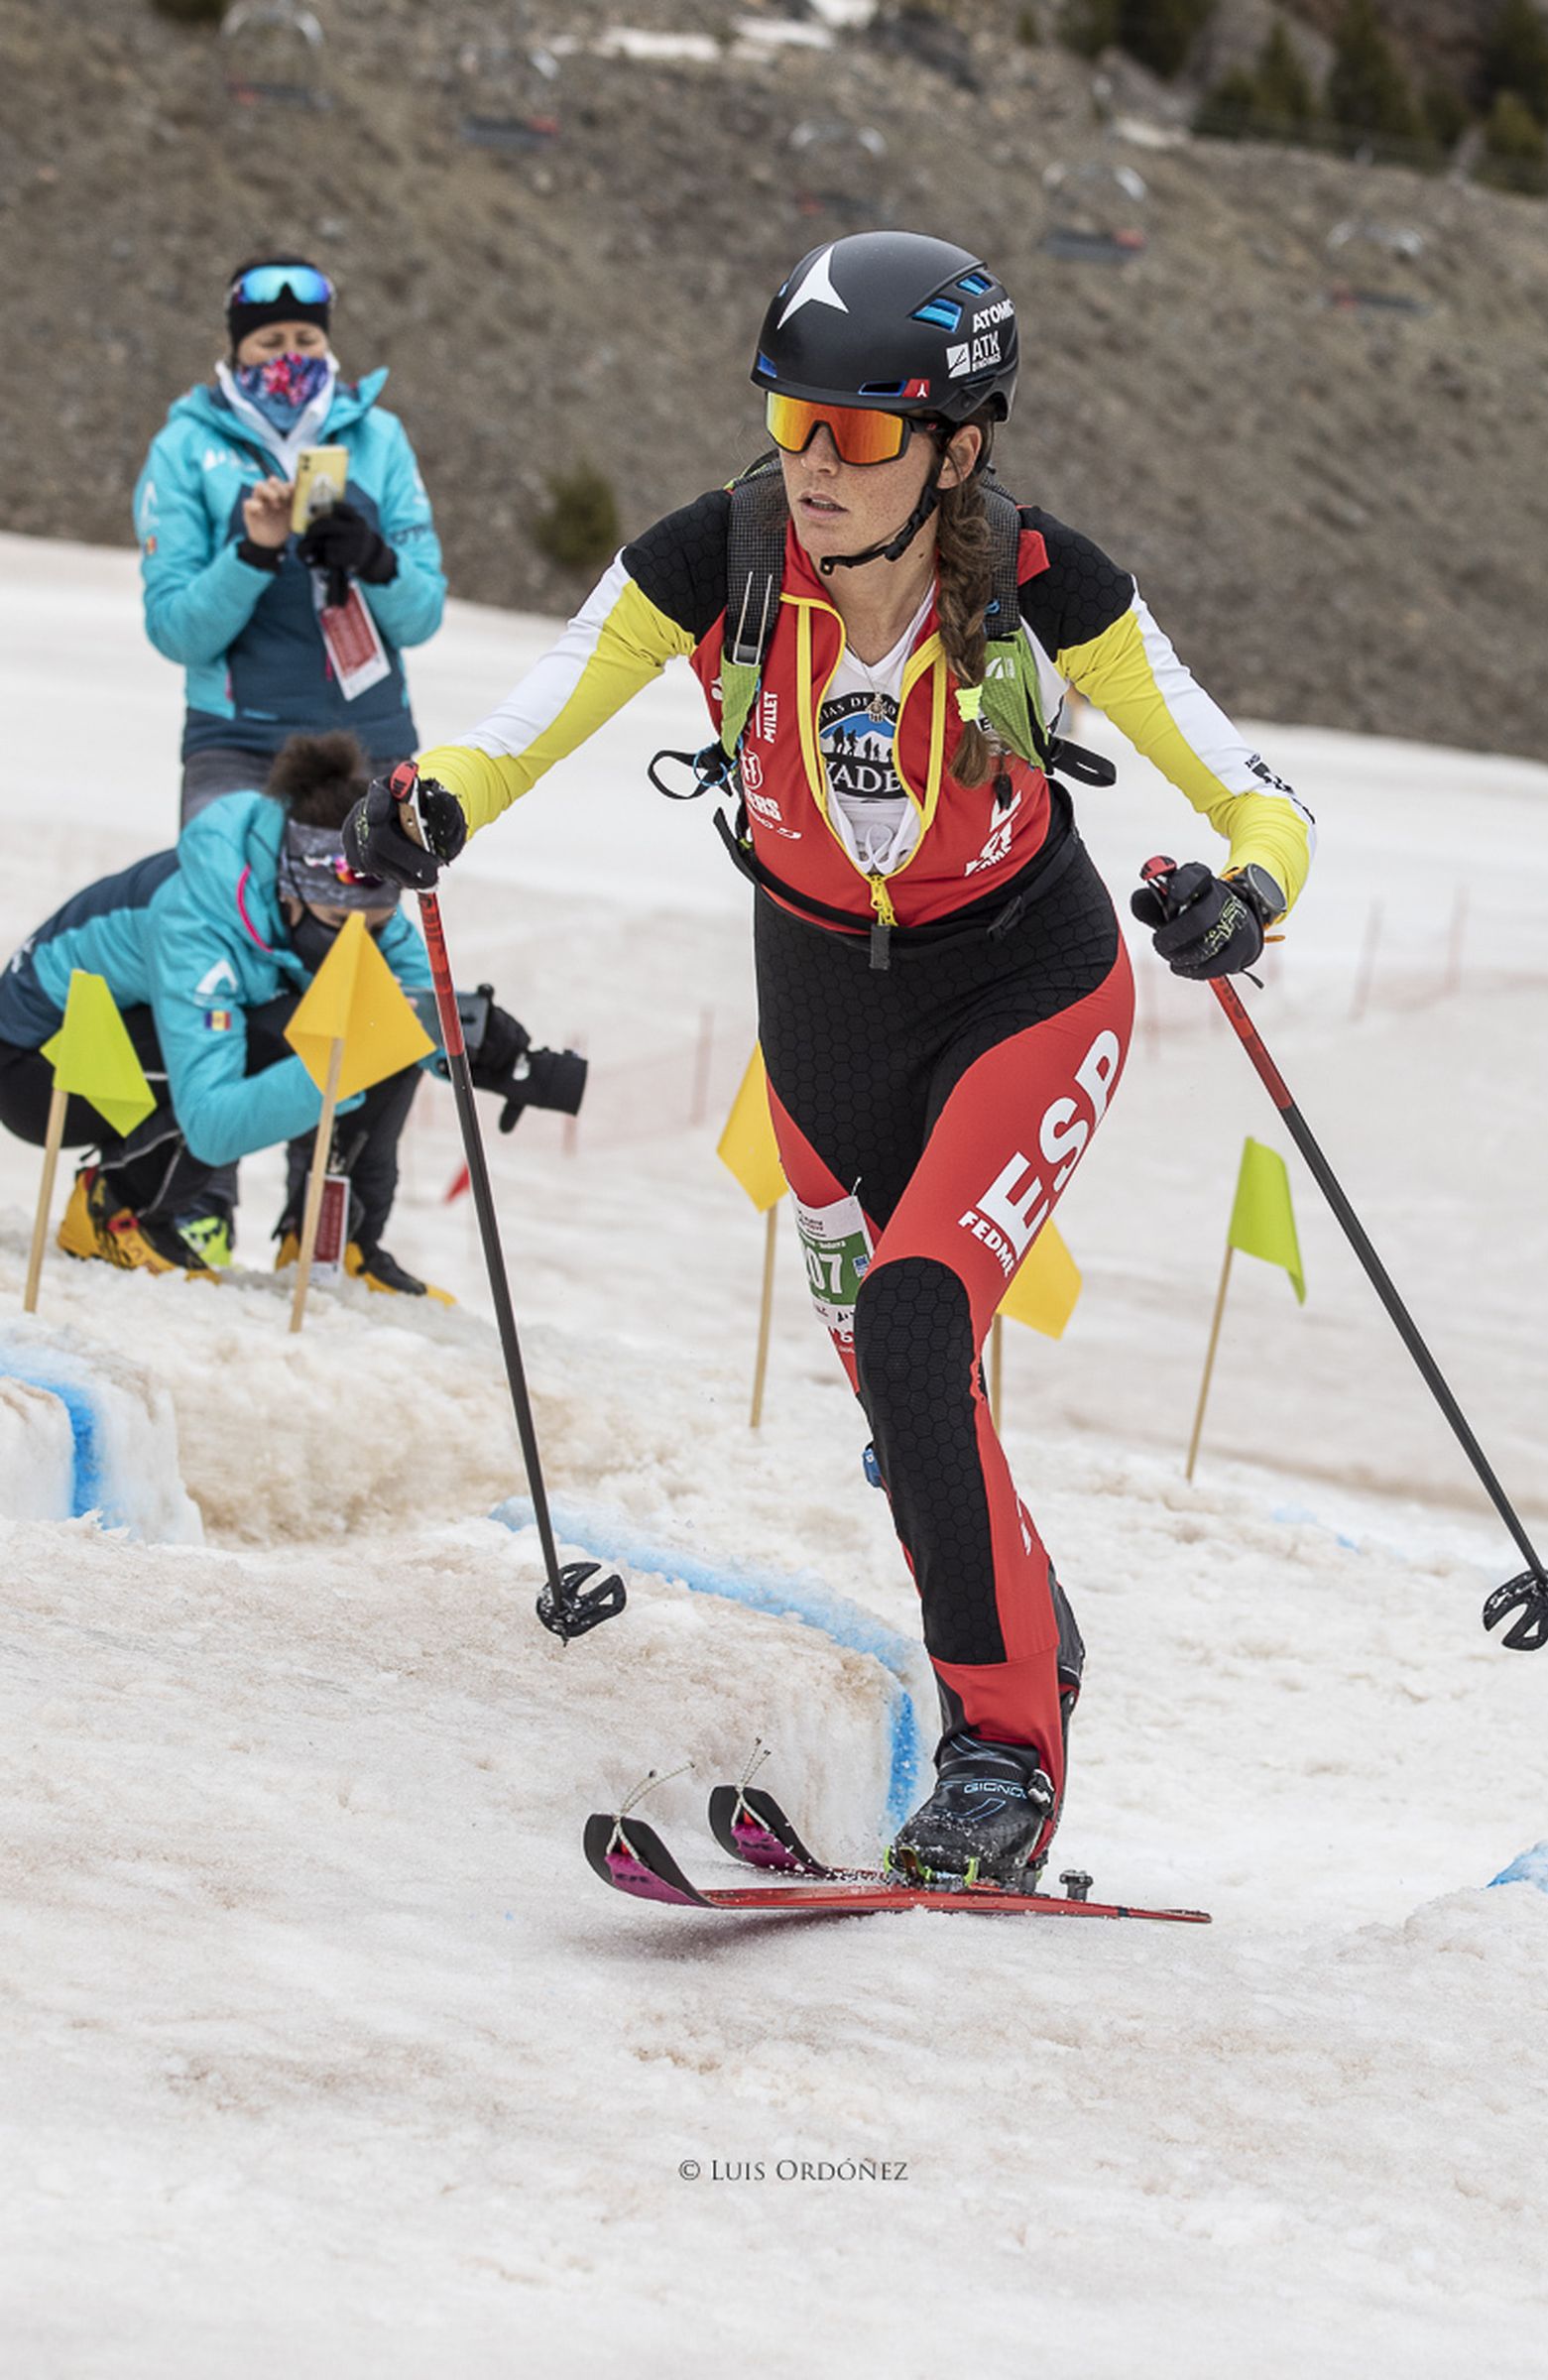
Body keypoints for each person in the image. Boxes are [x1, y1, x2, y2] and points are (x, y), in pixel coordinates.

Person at [341, 232, 1315, 1888]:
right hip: (819, 1019)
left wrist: (1248, 898)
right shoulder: (710, 563)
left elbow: (1259, 797)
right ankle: (1027, 1622)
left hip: (1027, 988)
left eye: (859, 434)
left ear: (958, 446)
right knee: (899, 1385)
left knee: (927, 1317)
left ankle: (1003, 1753)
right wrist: (432, 799)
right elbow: (520, 729)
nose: (812, 462)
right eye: (793, 419)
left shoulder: (1037, 585)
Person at [0, 734, 584, 1293]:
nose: (356, 942)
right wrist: (351, 1057)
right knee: (311, 1037)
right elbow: (211, 1119)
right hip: (40, 1069)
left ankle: (332, 1240)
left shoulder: (343, 899)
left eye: (374, 928)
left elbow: (415, 1009)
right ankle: (115, 1210)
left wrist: (499, 1052)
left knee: (385, 1024)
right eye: (336, 925)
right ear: (288, 889)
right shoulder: (196, 917)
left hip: (121, 1039)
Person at [133, 257, 446, 826]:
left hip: (370, 742)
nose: (289, 356)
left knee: (359, 916)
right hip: (238, 744)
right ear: (235, 347)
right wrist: (253, 553)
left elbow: (421, 617)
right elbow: (176, 633)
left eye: (307, 338)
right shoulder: (182, 449)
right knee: (228, 911)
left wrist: (372, 558)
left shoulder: (380, 438)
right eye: (269, 340)